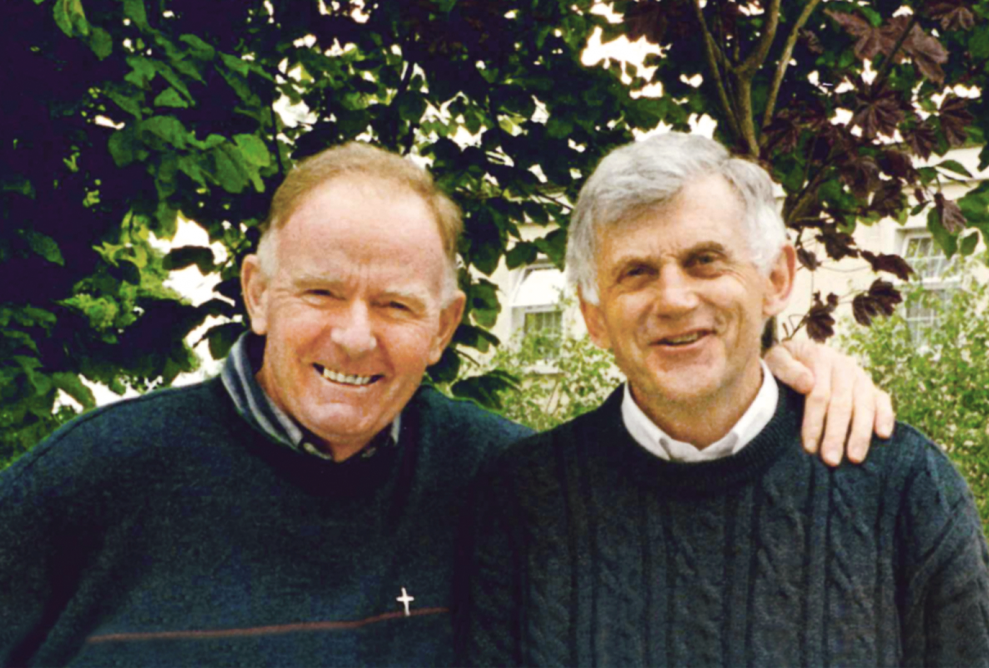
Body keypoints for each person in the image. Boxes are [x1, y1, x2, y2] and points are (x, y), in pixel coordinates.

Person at [1, 142, 892, 667]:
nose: (355, 336)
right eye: (321, 293)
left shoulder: (503, 482)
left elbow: (683, 514)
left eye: (395, 305)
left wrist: (786, 384)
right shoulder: (91, 480)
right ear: (257, 294)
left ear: (444, 326)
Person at [462, 133, 989, 667]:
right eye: (636, 273)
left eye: (704, 260)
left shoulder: (903, 486)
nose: (675, 299)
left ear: (776, 279)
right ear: (594, 317)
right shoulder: (524, 500)